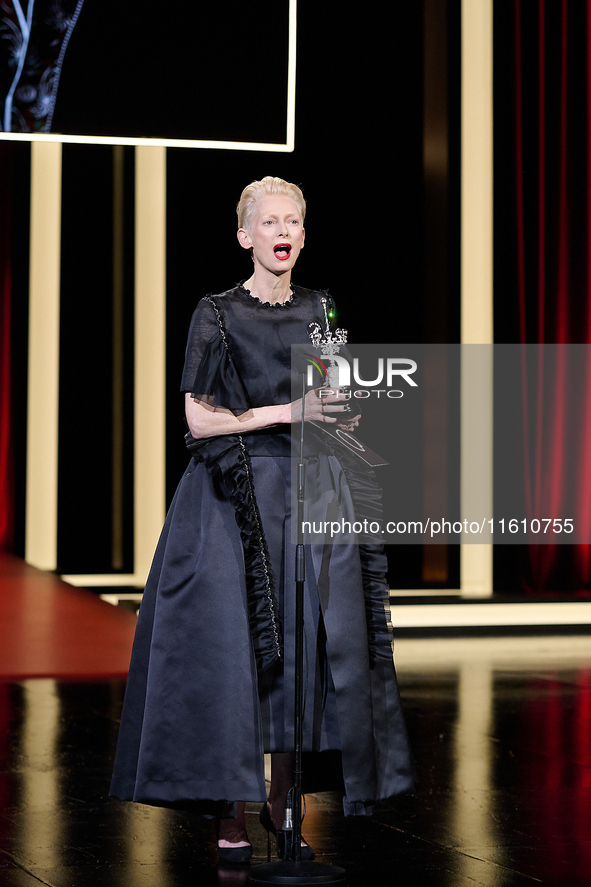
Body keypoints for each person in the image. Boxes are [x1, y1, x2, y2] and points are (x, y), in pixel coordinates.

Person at [110, 176, 415, 862]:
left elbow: (331, 396)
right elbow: (197, 417)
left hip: (309, 493)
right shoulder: (216, 312)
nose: (283, 231)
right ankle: (229, 812)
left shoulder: (322, 308)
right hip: (230, 500)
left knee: (304, 656)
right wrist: (287, 413)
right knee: (235, 653)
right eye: (269, 221)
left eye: (294, 221)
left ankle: (285, 810)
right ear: (245, 235)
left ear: (303, 235)